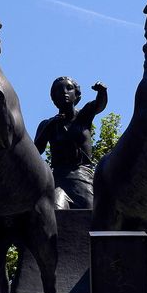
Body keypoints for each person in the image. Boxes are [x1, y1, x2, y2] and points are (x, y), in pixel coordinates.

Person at [33, 77, 108, 210]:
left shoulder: (83, 117)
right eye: (58, 90)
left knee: (89, 218)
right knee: (56, 214)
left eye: (69, 88)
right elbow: (35, 151)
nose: (64, 92)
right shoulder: (48, 124)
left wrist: (102, 91)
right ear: (54, 98)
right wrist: (50, 126)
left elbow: (99, 104)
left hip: (82, 177)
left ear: (77, 94)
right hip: (59, 180)